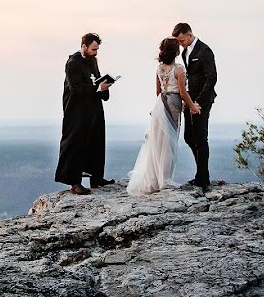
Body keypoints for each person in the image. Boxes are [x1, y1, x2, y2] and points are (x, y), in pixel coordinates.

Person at [127, 38, 201, 196]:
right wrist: (192, 106)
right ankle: (165, 179)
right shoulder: (179, 69)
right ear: (176, 52)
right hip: (173, 102)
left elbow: (158, 91)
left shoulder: (159, 68)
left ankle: (157, 178)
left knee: (159, 140)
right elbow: (182, 92)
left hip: (160, 103)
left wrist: (160, 105)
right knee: (169, 141)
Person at [54, 32, 114, 195]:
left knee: (96, 141)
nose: (96, 52)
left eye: (97, 49)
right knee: (75, 143)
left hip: (93, 108)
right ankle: (74, 182)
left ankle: (96, 177)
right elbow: (76, 88)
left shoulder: (92, 60)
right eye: (93, 49)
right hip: (77, 111)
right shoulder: (73, 63)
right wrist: (97, 88)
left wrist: (104, 85)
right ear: (84, 46)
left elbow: (95, 79)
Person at [172, 22, 218, 190]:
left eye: (182, 40)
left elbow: (211, 78)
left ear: (189, 35)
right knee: (189, 137)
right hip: (189, 101)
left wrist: (199, 101)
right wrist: (188, 101)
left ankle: (203, 178)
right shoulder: (185, 52)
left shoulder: (205, 51)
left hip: (202, 101)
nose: (180, 44)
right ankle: (201, 174)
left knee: (200, 138)